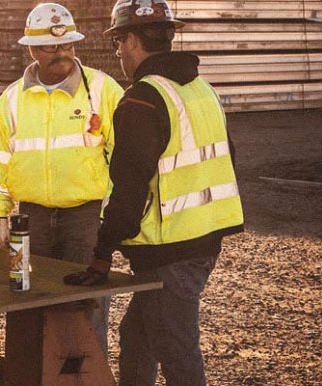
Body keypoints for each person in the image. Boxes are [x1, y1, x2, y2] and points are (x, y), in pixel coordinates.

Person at [63, 0, 244, 384]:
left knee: (177, 351)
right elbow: (229, 158)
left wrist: (100, 254)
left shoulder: (142, 99)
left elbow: (128, 188)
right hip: (204, 239)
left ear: (130, 41)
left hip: (170, 251)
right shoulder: (202, 90)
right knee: (138, 337)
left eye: (117, 42)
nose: (117, 53)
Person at [0, 2, 124, 350]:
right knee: (27, 305)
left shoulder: (104, 91)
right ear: (31, 49)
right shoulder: (12, 100)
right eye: (51, 46)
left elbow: (124, 161)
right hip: (30, 221)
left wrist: (109, 216)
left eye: (67, 44)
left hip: (86, 219)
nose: (62, 53)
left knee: (85, 311)